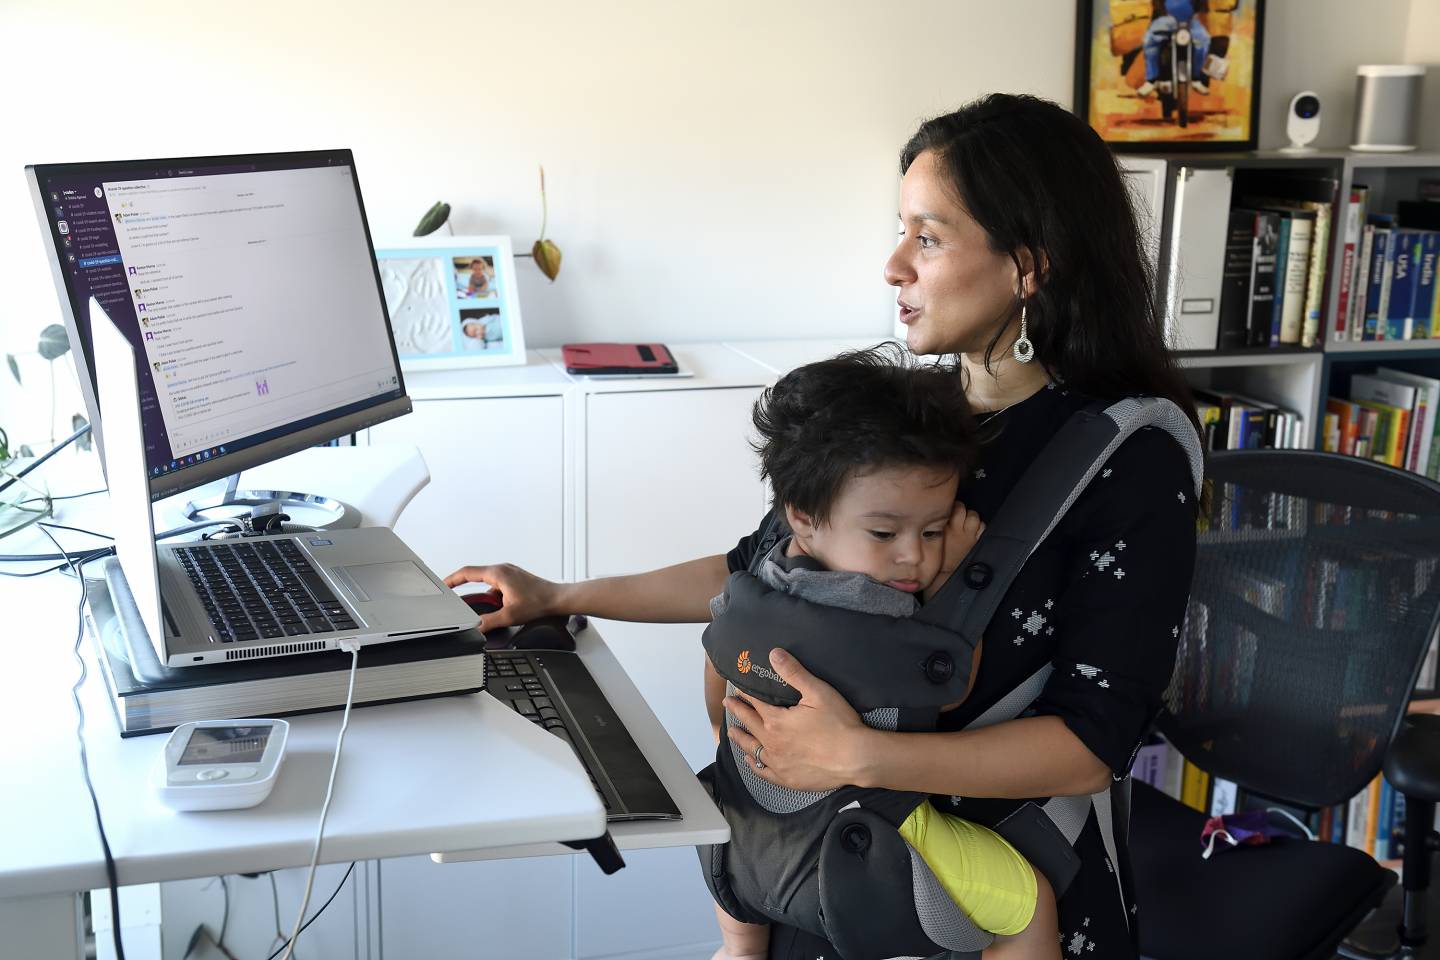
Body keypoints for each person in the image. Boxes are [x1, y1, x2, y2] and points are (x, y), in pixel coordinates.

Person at [445, 92, 1199, 960]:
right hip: (825, 867)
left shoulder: (1128, 458)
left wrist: (857, 756)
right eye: (900, 230)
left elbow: (1088, 748)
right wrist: (562, 593)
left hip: (980, 894)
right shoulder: (911, 417)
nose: (892, 266)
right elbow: (756, 568)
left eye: (928, 236)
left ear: (1028, 267)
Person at [703, 344, 1059, 960]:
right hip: (851, 839)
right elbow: (954, 682)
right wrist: (955, 579)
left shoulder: (758, 583)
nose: (913, 557)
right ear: (805, 516)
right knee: (1031, 902)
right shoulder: (880, 610)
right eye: (884, 533)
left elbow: (715, 692)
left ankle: (738, 947)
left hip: (740, 840)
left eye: (932, 530)